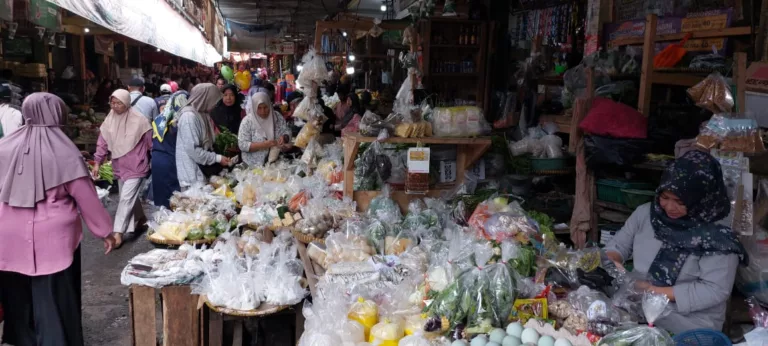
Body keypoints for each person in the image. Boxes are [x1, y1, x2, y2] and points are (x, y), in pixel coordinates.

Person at [0, 93, 117, 346]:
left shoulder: (5, 145)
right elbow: (86, 198)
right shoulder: (64, 151)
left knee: (18, 296)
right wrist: (105, 231)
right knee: (53, 299)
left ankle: (22, 340)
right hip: (52, 242)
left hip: (9, 237)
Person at [605, 150, 746, 334]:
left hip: (689, 325)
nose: (670, 207)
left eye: (680, 201)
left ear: (701, 197)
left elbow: (714, 290)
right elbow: (616, 247)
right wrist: (614, 264)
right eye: (664, 197)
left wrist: (652, 291)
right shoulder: (647, 215)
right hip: (637, 310)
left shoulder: (718, 237)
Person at [91, 90, 153, 247]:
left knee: (125, 198)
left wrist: (155, 163)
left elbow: (150, 143)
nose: (115, 106)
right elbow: (102, 142)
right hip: (119, 165)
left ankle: (118, 232)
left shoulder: (140, 121)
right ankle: (142, 219)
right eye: (112, 103)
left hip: (137, 165)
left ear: (126, 103)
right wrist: (97, 162)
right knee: (129, 196)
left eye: (119, 103)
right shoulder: (110, 119)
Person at [176, 83, 231, 188]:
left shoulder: (203, 114)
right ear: (205, 99)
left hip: (202, 173)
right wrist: (217, 158)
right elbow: (193, 150)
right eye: (213, 100)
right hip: (192, 176)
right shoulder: (189, 117)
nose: (215, 104)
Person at [151, 90, 189, 208]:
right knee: (172, 199)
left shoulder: (161, 118)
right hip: (170, 161)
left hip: (157, 159)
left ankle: (161, 223)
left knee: (161, 196)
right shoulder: (178, 121)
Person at [238, 92, 291, 166]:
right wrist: (263, 145)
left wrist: (285, 137)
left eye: (265, 107)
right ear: (254, 107)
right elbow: (242, 145)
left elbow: (287, 131)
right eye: (259, 108)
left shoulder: (277, 117)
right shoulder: (247, 121)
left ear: (269, 105)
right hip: (253, 166)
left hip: (277, 163)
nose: (263, 111)